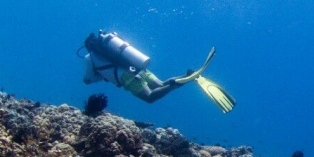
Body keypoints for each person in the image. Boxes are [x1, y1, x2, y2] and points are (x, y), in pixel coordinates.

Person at [81, 31, 236, 113]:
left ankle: (174, 84)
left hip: (126, 77)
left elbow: (88, 79)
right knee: (160, 84)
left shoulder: (90, 57)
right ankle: (186, 76)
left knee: (150, 97)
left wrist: (94, 77)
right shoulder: (110, 45)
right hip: (137, 65)